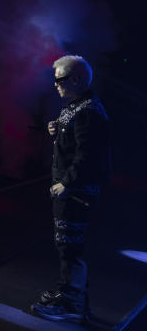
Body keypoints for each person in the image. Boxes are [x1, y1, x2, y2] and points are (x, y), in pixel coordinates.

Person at [32, 55, 111, 323]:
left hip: (76, 193)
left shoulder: (88, 110)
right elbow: (76, 141)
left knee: (70, 248)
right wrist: (57, 130)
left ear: (75, 80)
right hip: (73, 191)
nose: (55, 85)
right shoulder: (77, 106)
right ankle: (69, 295)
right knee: (66, 245)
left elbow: (88, 155)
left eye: (59, 80)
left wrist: (67, 184)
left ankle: (72, 304)